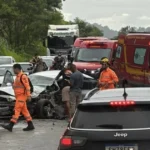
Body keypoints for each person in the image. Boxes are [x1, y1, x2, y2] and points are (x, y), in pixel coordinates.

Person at [1, 64, 35, 132]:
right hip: (19, 96)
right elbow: (17, 87)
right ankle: (30, 125)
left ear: (17, 69)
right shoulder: (17, 77)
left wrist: (28, 96)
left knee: (17, 110)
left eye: (13, 69)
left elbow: (27, 87)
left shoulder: (23, 76)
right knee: (25, 111)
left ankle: (10, 125)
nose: (13, 71)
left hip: (22, 96)